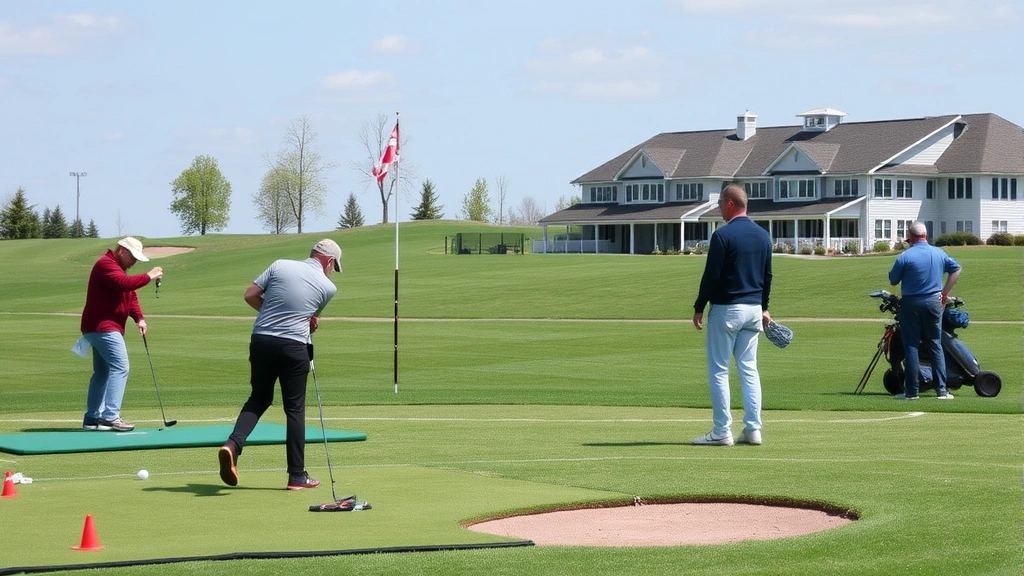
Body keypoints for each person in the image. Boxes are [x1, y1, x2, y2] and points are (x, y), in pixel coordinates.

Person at [218, 239, 341, 490]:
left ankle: (232, 445)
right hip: (293, 347)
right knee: (294, 409)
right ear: (328, 261)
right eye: (333, 266)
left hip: (261, 340)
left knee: (259, 398)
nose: (332, 271)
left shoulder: (279, 265)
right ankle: (296, 475)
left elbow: (250, 295)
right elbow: (309, 320)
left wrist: (270, 311)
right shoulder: (328, 287)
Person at [691, 184, 773, 446]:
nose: (718, 209)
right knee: (749, 369)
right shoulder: (762, 236)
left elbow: (712, 275)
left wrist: (699, 306)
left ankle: (721, 431)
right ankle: (753, 430)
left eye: (719, 204)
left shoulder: (722, 235)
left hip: (727, 309)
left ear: (729, 204)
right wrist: (764, 307)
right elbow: (767, 275)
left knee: (719, 369)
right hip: (753, 310)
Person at [79, 237, 163, 432]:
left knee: (102, 372)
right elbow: (125, 284)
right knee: (121, 366)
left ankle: (92, 418)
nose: (134, 262)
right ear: (122, 251)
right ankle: (110, 416)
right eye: (133, 257)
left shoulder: (117, 267)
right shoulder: (105, 264)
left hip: (100, 327)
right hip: (103, 327)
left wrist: (139, 318)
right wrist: (149, 275)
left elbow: (130, 294)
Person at [888, 221, 961, 400]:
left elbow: (893, 280)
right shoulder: (939, 253)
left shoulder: (905, 256)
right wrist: (944, 293)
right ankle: (941, 390)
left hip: (911, 302)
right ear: (926, 236)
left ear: (911, 238)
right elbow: (956, 270)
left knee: (911, 345)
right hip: (934, 301)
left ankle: (912, 391)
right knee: (935, 343)